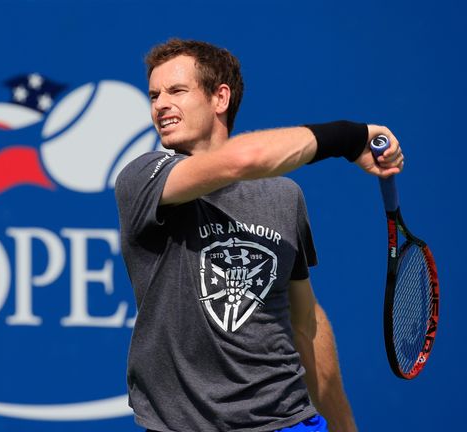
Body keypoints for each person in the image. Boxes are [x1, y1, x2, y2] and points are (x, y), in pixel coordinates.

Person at [114, 38, 404, 432]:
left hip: (288, 420)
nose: (161, 103)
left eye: (177, 91)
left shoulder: (284, 197)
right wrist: (348, 137)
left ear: (220, 98)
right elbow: (241, 159)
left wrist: (344, 427)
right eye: (154, 94)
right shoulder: (143, 177)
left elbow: (306, 323)